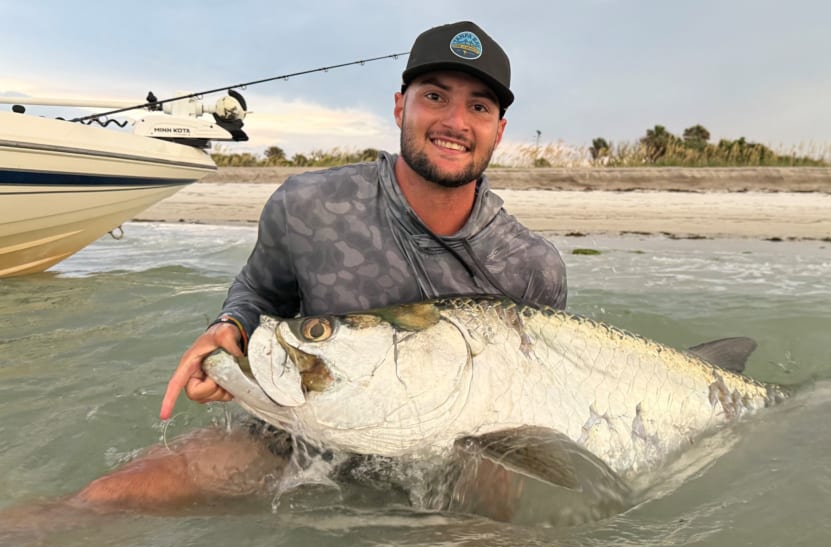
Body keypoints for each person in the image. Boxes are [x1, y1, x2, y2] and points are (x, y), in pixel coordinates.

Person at [70, 21, 567, 509]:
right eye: (434, 96)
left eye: (478, 106)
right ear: (400, 106)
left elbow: (530, 413)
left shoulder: (530, 267)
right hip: (301, 443)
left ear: (498, 131)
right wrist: (231, 325)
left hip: (449, 468)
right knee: (107, 498)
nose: (455, 122)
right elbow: (261, 294)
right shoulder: (309, 205)